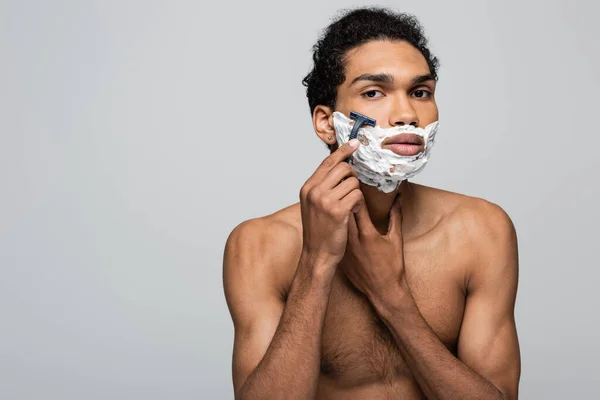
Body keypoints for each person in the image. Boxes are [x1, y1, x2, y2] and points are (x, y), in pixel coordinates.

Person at [223, 7, 520, 399]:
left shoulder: (480, 230)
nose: (406, 114)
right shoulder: (260, 245)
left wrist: (391, 297)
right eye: (374, 92)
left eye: (420, 92)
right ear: (327, 123)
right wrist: (316, 262)